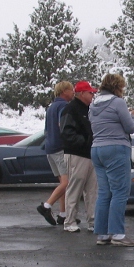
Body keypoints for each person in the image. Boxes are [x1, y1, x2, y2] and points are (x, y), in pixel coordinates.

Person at [89, 73, 134, 247]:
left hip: (96, 149)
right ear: (117, 87)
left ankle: (102, 234)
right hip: (116, 149)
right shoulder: (118, 103)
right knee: (120, 192)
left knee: (104, 193)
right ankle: (118, 234)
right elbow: (130, 128)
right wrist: (133, 115)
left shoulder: (92, 105)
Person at [60, 80, 97, 233]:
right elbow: (66, 133)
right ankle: (69, 221)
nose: (92, 95)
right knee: (75, 187)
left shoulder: (89, 109)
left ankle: (93, 221)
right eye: (90, 92)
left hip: (89, 153)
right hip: (76, 153)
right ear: (81, 93)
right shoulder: (71, 109)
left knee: (93, 189)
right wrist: (85, 141)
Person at [38, 80, 74, 225]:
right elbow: (63, 124)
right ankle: (46, 206)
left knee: (62, 183)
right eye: (71, 90)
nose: (73, 92)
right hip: (60, 148)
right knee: (67, 182)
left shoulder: (51, 107)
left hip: (50, 148)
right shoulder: (64, 106)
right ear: (64, 91)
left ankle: (63, 214)